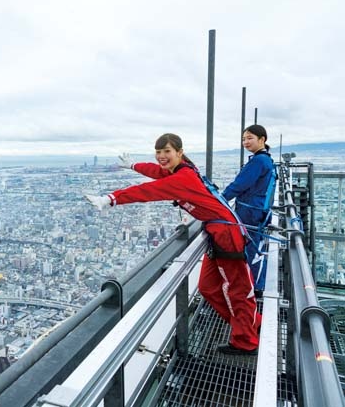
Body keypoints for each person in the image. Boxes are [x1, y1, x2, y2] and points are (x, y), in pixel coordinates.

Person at [85, 133, 261, 355]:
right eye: (158, 152)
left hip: (227, 234)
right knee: (208, 287)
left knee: (237, 289)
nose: (161, 156)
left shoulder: (183, 178)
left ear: (179, 152)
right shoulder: (183, 169)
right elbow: (157, 172)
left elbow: (148, 191)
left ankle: (246, 340)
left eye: (167, 151)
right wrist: (132, 165)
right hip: (217, 232)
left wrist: (111, 199)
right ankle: (247, 324)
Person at [221, 125, 275, 298]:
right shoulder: (266, 159)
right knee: (254, 246)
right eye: (244, 139)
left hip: (250, 212)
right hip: (258, 210)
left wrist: (220, 200)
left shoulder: (258, 161)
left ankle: (255, 288)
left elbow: (240, 184)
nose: (245, 142)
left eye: (250, 138)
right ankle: (254, 284)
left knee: (251, 249)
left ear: (262, 139)